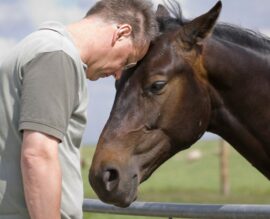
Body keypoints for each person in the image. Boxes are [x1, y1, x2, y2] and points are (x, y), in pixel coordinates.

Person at [0, 0, 158, 218]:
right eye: (128, 61)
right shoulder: (57, 55)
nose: (119, 73)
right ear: (121, 33)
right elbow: (38, 154)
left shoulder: (33, 46)